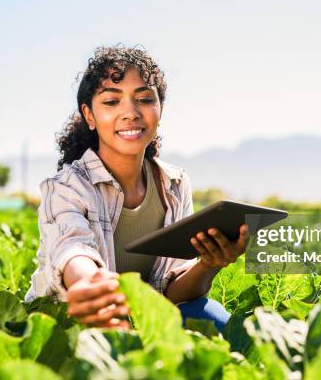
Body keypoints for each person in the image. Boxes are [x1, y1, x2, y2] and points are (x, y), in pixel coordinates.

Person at [25, 46, 248, 331]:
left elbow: (169, 294)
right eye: (111, 102)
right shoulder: (66, 186)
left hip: (140, 321)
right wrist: (89, 285)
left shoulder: (174, 184)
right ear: (89, 115)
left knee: (210, 314)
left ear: (160, 109)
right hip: (70, 325)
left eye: (144, 99)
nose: (130, 113)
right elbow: (72, 249)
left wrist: (209, 264)